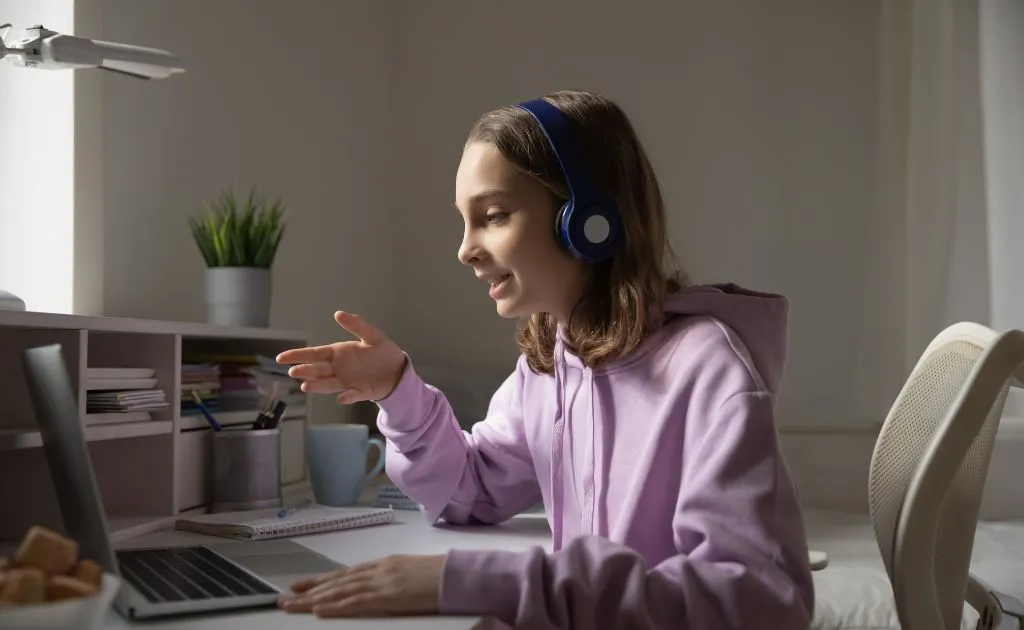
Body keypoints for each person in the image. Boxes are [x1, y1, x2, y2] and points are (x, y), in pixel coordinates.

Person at [274, 89, 815, 629]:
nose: (465, 249)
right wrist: (397, 391)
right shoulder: (548, 367)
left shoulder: (708, 368)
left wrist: (483, 583)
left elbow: (761, 602)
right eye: (464, 221)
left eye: (493, 215)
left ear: (588, 220)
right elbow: (472, 492)